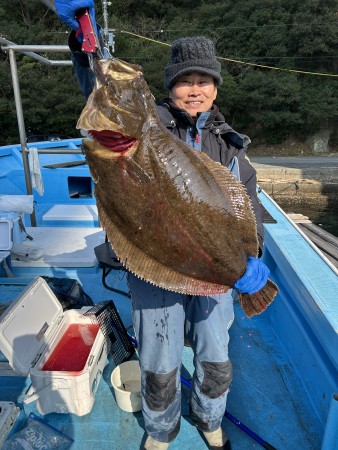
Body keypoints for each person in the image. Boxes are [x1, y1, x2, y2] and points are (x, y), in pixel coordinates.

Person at [55, 3, 269, 449]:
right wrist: (83, 41)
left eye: (203, 81)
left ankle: (209, 419)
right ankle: (161, 430)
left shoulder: (231, 147)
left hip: (213, 271)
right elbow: (99, 93)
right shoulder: (147, 128)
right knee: (159, 357)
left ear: (215, 87)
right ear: (170, 87)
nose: (194, 90)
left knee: (215, 354)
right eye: (185, 81)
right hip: (154, 263)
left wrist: (253, 259)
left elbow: (245, 204)